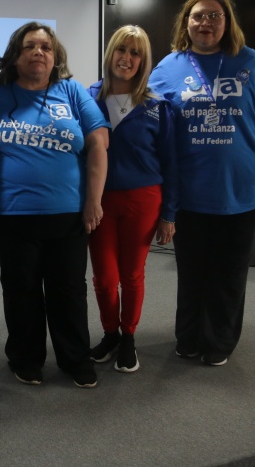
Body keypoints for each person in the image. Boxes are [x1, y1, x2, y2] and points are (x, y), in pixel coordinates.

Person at [148, 0, 255, 366]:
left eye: (215, 15)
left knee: (228, 271)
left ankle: (219, 343)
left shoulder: (251, 61)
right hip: (190, 192)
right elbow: (149, 125)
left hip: (244, 189)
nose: (206, 22)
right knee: (192, 270)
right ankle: (189, 338)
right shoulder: (167, 68)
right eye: (198, 15)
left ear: (227, 22)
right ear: (186, 22)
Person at [0, 22, 109, 387]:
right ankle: (25, 358)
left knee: (68, 290)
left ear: (55, 57)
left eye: (46, 47)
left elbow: (99, 143)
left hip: (67, 214)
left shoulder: (72, 91)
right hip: (10, 214)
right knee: (20, 291)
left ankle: (75, 358)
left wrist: (94, 201)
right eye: (30, 46)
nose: (39, 52)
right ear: (15, 56)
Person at [86, 25, 178, 373]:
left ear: (143, 61)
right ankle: (110, 333)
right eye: (121, 50)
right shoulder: (88, 98)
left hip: (143, 200)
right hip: (99, 201)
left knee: (132, 275)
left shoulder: (157, 105)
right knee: (104, 277)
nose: (126, 58)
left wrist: (169, 214)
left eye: (135, 53)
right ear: (110, 53)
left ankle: (128, 337)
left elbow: (171, 163)